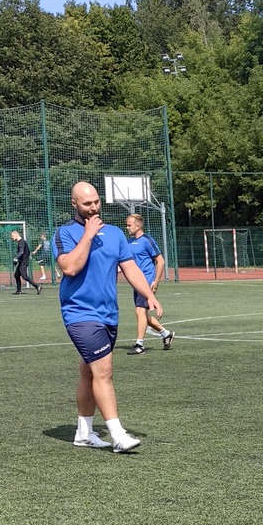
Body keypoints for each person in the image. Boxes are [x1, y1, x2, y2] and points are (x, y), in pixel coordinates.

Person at [51, 181, 160, 451]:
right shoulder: (64, 233)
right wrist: (88, 235)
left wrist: (149, 294)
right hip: (80, 312)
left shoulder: (114, 233)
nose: (93, 207)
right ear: (74, 204)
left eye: (96, 202)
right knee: (104, 371)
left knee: (88, 372)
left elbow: (130, 267)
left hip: (108, 314)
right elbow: (70, 268)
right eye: (87, 203)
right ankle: (118, 434)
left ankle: (84, 433)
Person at [123, 212, 174, 353]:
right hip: (136, 282)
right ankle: (166, 333)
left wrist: (155, 282)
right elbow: (127, 264)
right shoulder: (128, 242)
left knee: (140, 310)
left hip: (147, 281)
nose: (127, 227)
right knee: (143, 314)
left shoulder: (147, 240)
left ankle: (140, 344)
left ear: (138, 226)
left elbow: (160, 261)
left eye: (129, 225)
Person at [11, 229, 42, 294]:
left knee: (24, 276)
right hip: (21, 262)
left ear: (16, 235)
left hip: (23, 262)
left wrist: (16, 258)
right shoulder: (20, 242)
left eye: (12, 236)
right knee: (16, 275)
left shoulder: (21, 242)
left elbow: (21, 251)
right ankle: (18, 290)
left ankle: (37, 286)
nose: (11, 237)